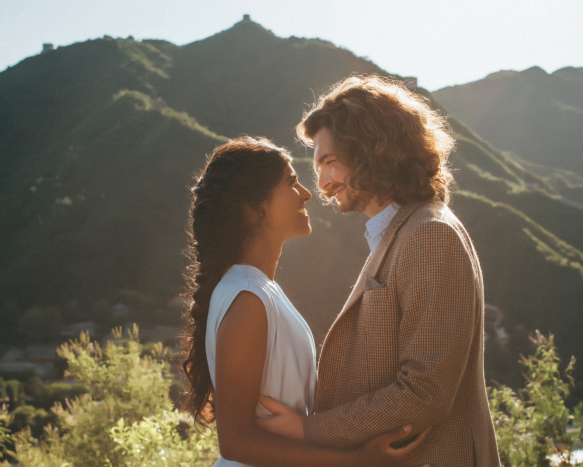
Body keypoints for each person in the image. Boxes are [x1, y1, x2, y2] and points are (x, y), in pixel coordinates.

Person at [258, 75, 501, 466]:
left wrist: (308, 430)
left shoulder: (430, 235)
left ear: (372, 151)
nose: (321, 183)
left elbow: (424, 393)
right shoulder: (403, 232)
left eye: (329, 163)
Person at [181, 136, 429, 467]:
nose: (307, 194)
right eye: (291, 183)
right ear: (254, 208)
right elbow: (236, 441)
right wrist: (357, 461)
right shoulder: (248, 299)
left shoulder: (258, 289)